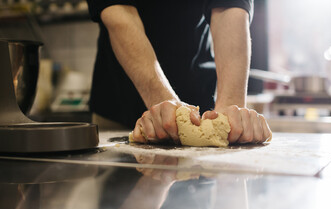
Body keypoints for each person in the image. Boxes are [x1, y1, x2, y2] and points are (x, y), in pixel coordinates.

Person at [86, 0, 272, 144]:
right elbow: (118, 11)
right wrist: (161, 101)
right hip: (119, 105)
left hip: (200, 104)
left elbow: (229, 8)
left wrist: (230, 111)